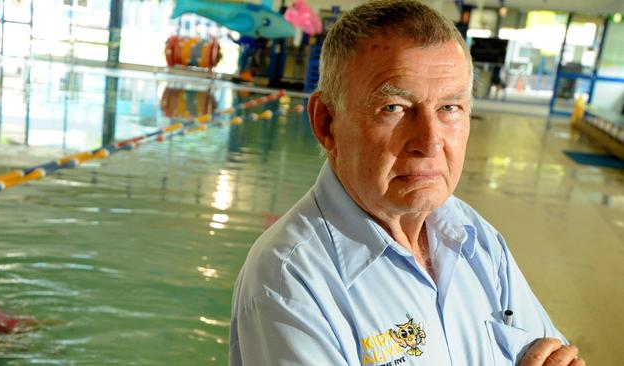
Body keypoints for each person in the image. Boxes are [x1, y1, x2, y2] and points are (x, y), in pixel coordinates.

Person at [230, 1, 585, 365]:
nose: (430, 141)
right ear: (326, 123)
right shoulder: (291, 282)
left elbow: (555, 354)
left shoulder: (475, 238)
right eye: (395, 108)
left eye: (450, 108)